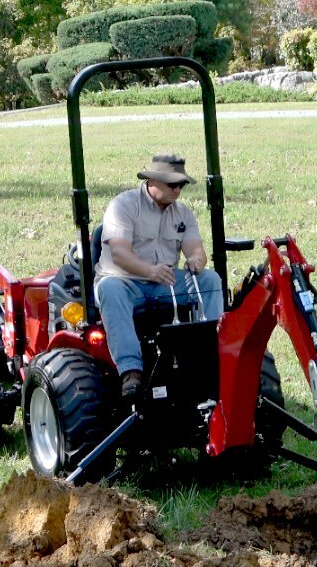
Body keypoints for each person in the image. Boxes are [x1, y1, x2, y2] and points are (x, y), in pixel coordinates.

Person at [94, 153, 224, 397]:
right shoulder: (123, 206)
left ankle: (215, 356)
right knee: (109, 288)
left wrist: (197, 259)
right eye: (172, 184)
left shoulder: (183, 214)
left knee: (210, 280)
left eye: (181, 185)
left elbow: (195, 249)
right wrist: (150, 271)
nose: (177, 190)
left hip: (166, 283)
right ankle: (131, 371)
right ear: (152, 181)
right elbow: (120, 254)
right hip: (126, 282)